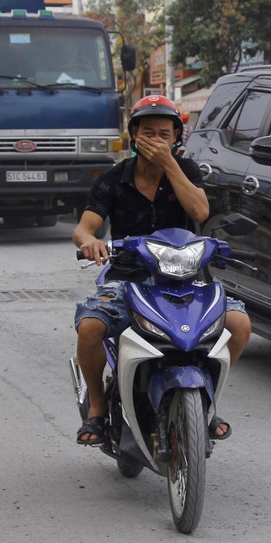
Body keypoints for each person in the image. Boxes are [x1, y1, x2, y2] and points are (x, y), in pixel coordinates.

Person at [71, 95, 251, 446]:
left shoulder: (187, 171)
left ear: (175, 138)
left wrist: (170, 164)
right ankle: (96, 408)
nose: (156, 139)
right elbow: (84, 226)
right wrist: (88, 241)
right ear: (134, 135)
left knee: (240, 324)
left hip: (190, 280)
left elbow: (200, 212)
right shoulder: (112, 179)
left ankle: (207, 404)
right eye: (148, 132)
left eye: (164, 133)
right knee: (90, 327)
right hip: (127, 278)